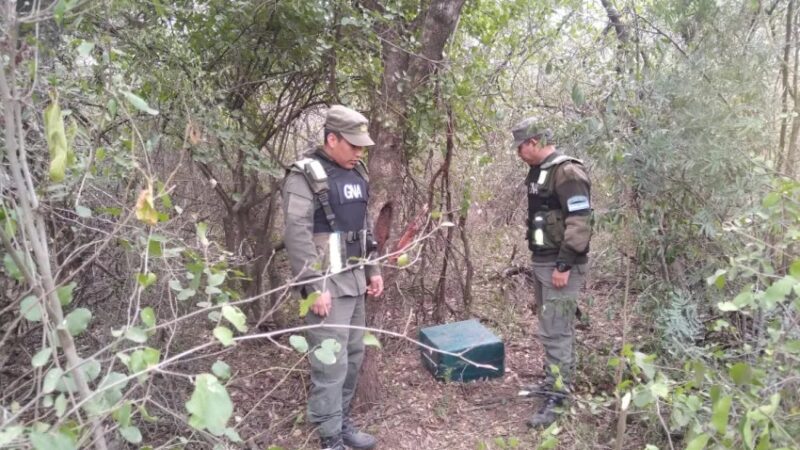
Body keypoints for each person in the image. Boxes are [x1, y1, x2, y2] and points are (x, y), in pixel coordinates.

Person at [282, 105, 384, 450]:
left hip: (354, 279)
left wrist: (373, 268)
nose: (359, 152)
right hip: (326, 284)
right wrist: (314, 287)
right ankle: (329, 438)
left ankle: (341, 423)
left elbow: (363, 224)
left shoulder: (357, 172)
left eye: (362, 146)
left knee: (353, 356)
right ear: (331, 139)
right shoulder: (304, 175)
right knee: (330, 362)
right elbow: (296, 234)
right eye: (353, 145)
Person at [511, 117, 592, 428]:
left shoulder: (567, 171)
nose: (519, 153)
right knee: (550, 328)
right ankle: (552, 382)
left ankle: (559, 397)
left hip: (560, 265)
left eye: (520, 146)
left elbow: (580, 221)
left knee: (557, 330)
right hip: (543, 260)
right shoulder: (539, 172)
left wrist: (564, 265)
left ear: (534, 141)